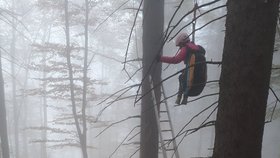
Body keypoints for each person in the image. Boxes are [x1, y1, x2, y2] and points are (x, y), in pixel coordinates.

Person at [158, 32, 201, 105]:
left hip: (192, 84)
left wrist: (160, 58)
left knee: (181, 77)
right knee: (184, 75)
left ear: (182, 42)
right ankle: (182, 98)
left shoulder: (186, 48)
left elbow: (175, 60)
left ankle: (180, 98)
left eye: (180, 46)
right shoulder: (196, 48)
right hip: (199, 81)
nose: (180, 48)